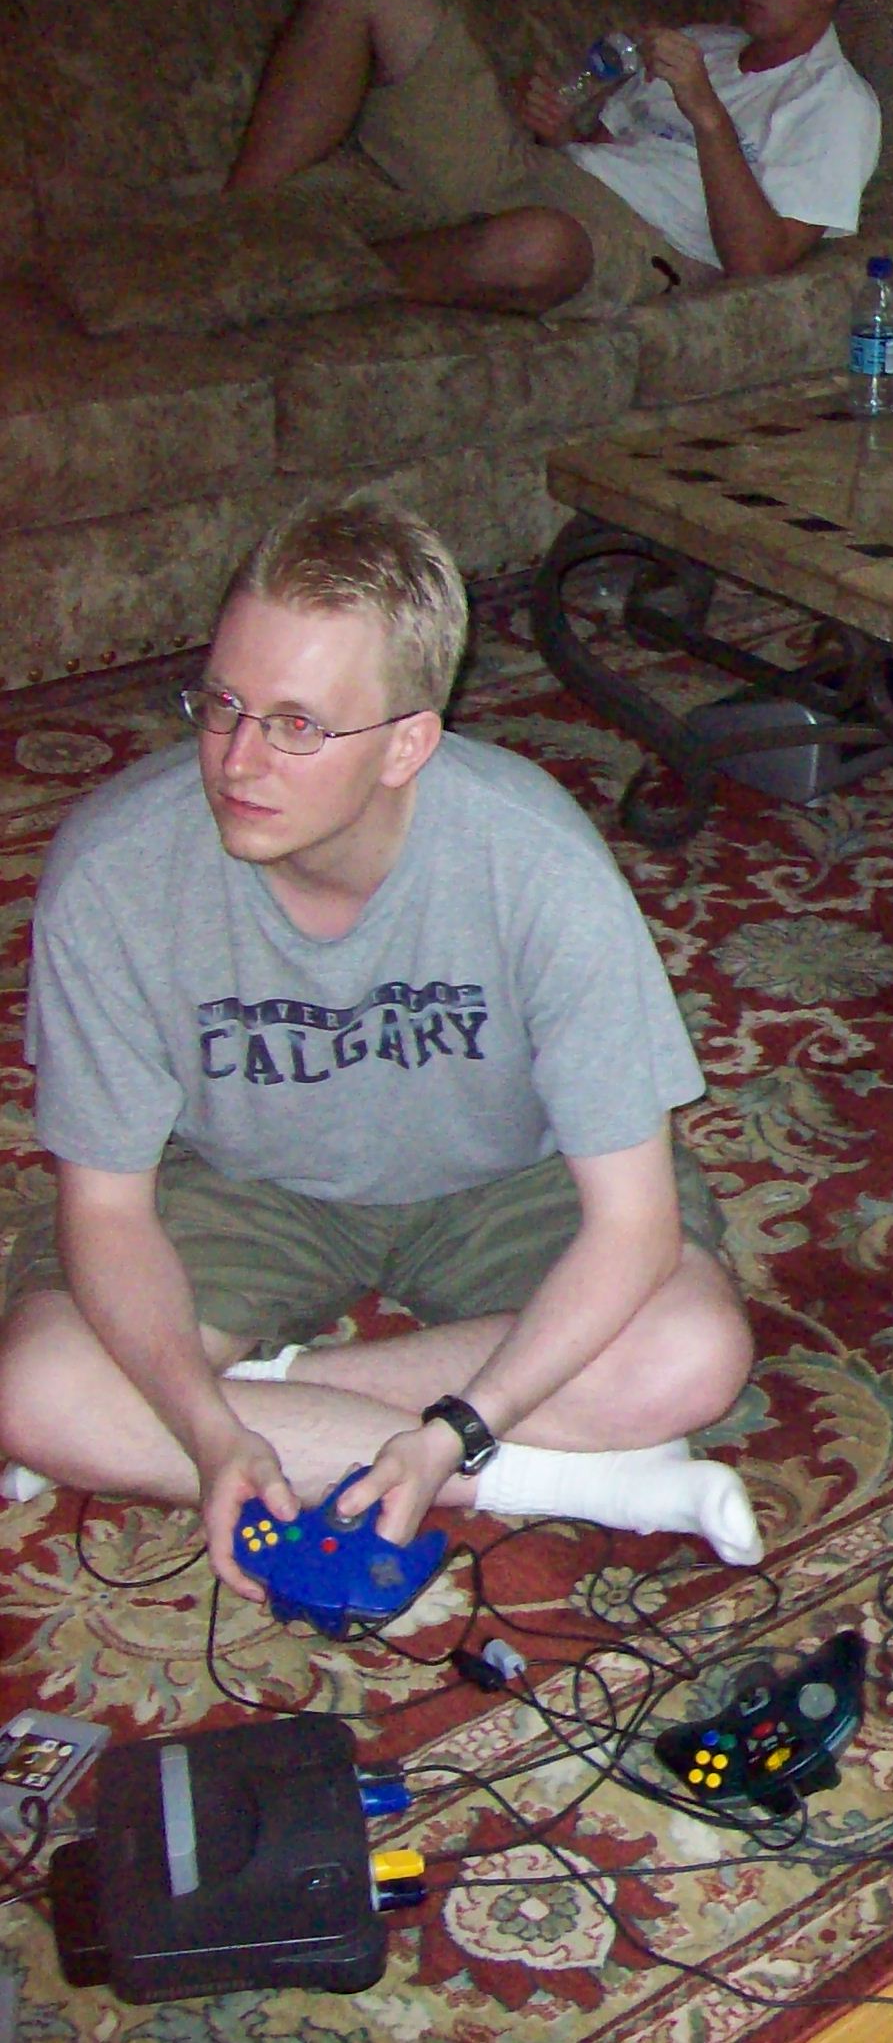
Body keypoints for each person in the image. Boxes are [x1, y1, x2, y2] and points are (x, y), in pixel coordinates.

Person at [0, 500, 763, 1599]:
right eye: (221, 703)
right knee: (37, 1388)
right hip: (244, 1184)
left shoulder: (538, 864)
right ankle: (579, 1479)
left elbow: (631, 1225)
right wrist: (210, 1437)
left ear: (409, 743)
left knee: (691, 1351)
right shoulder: (116, 873)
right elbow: (108, 1214)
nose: (237, 760)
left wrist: (458, 1425)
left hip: (510, 1177)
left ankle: (270, 1392)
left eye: (297, 726)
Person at [223, 0, 882, 317]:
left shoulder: (836, 103)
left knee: (539, 246)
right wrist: (558, 129)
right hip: (536, 173)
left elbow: (758, 262)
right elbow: (603, 147)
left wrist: (708, 113)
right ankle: (236, 217)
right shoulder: (704, 41)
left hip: (632, 240)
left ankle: (317, 276)